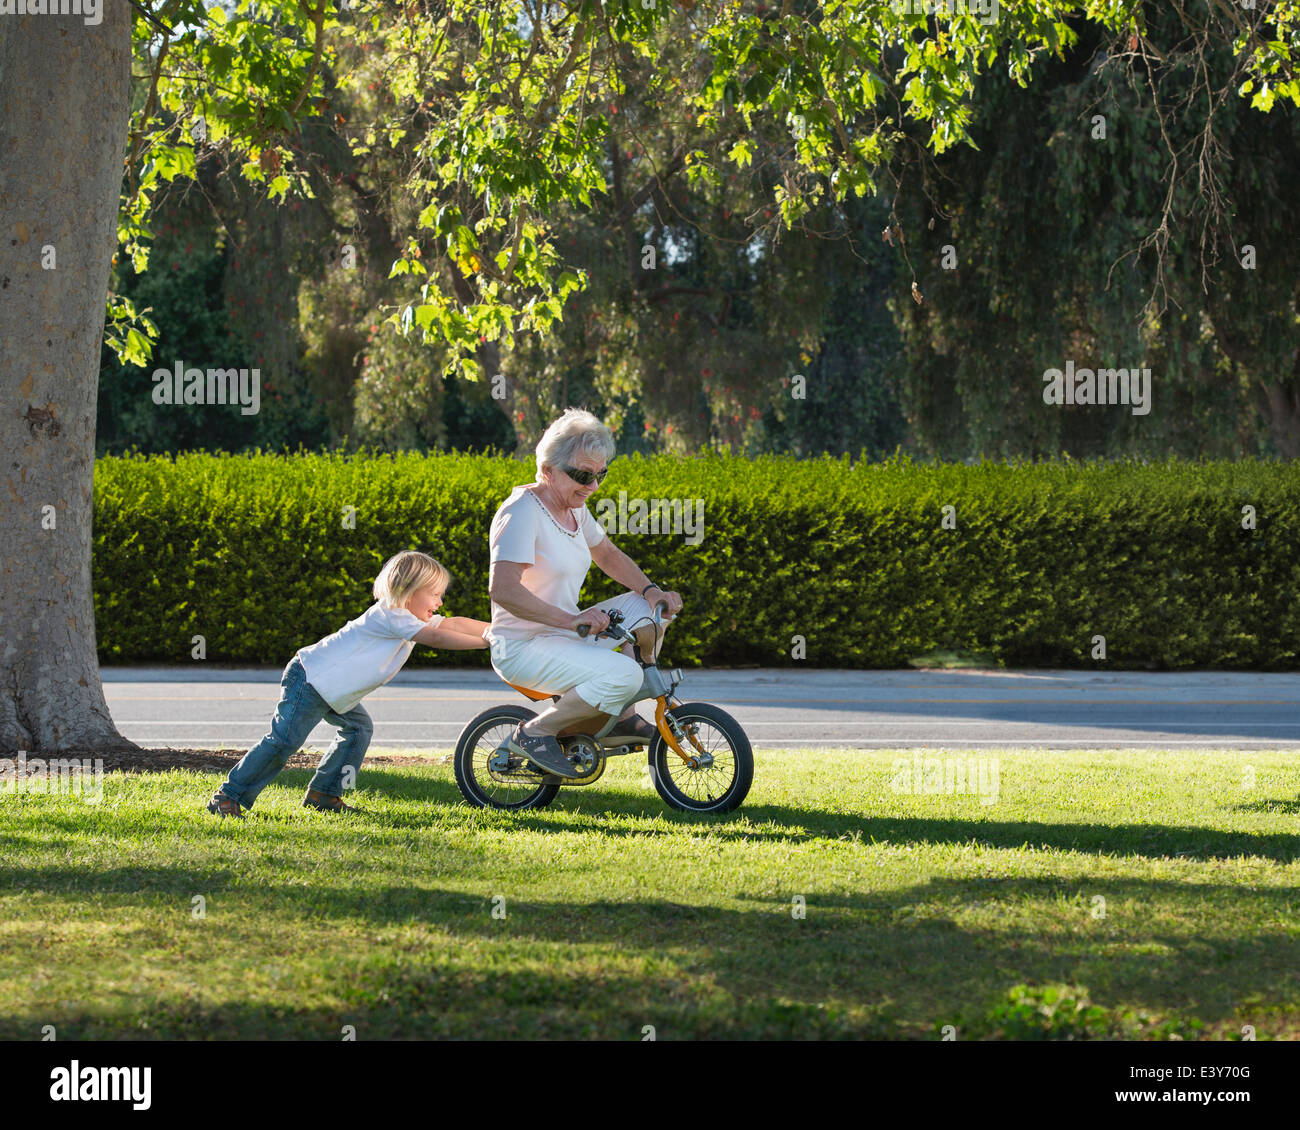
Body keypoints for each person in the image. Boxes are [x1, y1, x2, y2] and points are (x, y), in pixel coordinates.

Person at [206, 550, 489, 817]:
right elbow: (438, 638)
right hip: (310, 680)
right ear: (408, 590)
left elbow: (452, 625)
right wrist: (486, 642)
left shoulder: (406, 618)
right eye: (435, 594)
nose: (440, 602)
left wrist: (495, 630)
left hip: (332, 691)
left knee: (357, 729)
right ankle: (228, 796)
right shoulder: (391, 616)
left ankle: (323, 795)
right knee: (284, 741)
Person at [486, 408, 684, 778]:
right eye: (582, 475)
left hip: (564, 634)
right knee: (625, 675)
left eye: (600, 475)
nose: (593, 486)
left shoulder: (575, 509)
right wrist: (572, 619)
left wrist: (651, 589)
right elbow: (503, 591)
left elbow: (606, 553)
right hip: (522, 646)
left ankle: (623, 717)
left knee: (648, 609)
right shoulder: (521, 512)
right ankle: (535, 732)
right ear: (547, 469)